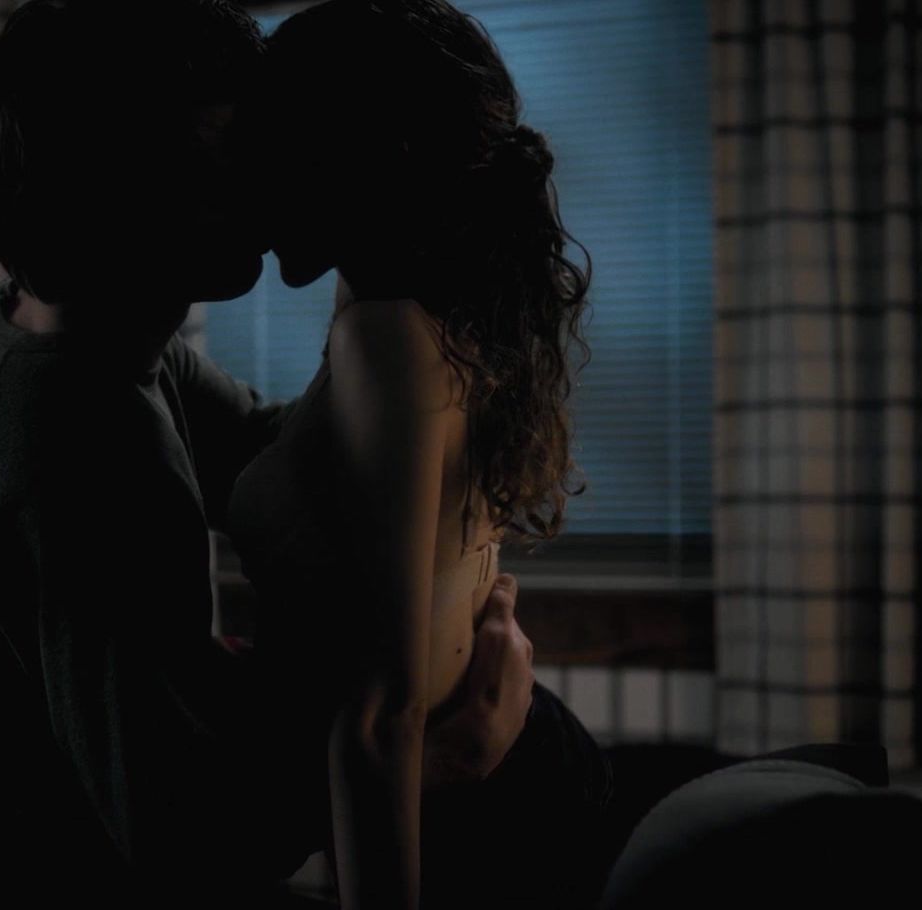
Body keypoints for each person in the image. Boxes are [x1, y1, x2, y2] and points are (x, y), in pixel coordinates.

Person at [0, 1, 538, 906]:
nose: (265, 186)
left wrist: (385, 272)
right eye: (217, 162)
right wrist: (444, 756)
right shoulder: (79, 435)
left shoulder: (67, 330)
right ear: (114, 193)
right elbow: (188, 842)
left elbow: (282, 456)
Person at [226, 1, 609, 906]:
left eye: (278, 148)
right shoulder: (419, 312)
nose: (251, 183)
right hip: (488, 776)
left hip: (485, 811)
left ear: (369, 160)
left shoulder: (388, 339)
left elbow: (383, 711)